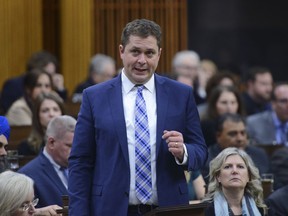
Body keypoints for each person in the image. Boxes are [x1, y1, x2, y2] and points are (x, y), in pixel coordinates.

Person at [68, 18, 207, 215]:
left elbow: (201, 152)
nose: (142, 60)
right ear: (121, 51)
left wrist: (183, 151)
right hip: (112, 209)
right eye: (135, 52)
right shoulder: (94, 97)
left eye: (149, 53)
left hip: (168, 209)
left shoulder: (181, 94)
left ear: (159, 55)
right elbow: (80, 162)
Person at [18, 115, 76, 208]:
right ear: (51, 142)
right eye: (70, 146)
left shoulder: (82, 167)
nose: (76, 151)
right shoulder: (27, 175)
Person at [201, 113, 269, 182]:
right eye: (233, 134)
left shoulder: (259, 155)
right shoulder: (205, 161)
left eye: (243, 133)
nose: (240, 139)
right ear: (218, 136)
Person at [203, 147, 268, 215]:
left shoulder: (260, 208)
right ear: (218, 176)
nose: (235, 171)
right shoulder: (206, 210)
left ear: (248, 176)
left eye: (240, 166)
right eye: (227, 167)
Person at [0, 50, 67, 114]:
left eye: (52, 74)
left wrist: (60, 89)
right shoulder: (13, 85)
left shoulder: (50, 89)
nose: (51, 78)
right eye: (48, 74)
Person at [18, 91, 65, 155]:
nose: (51, 114)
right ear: (37, 116)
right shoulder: (26, 147)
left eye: (55, 109)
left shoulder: (72, 143)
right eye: (45, 110)